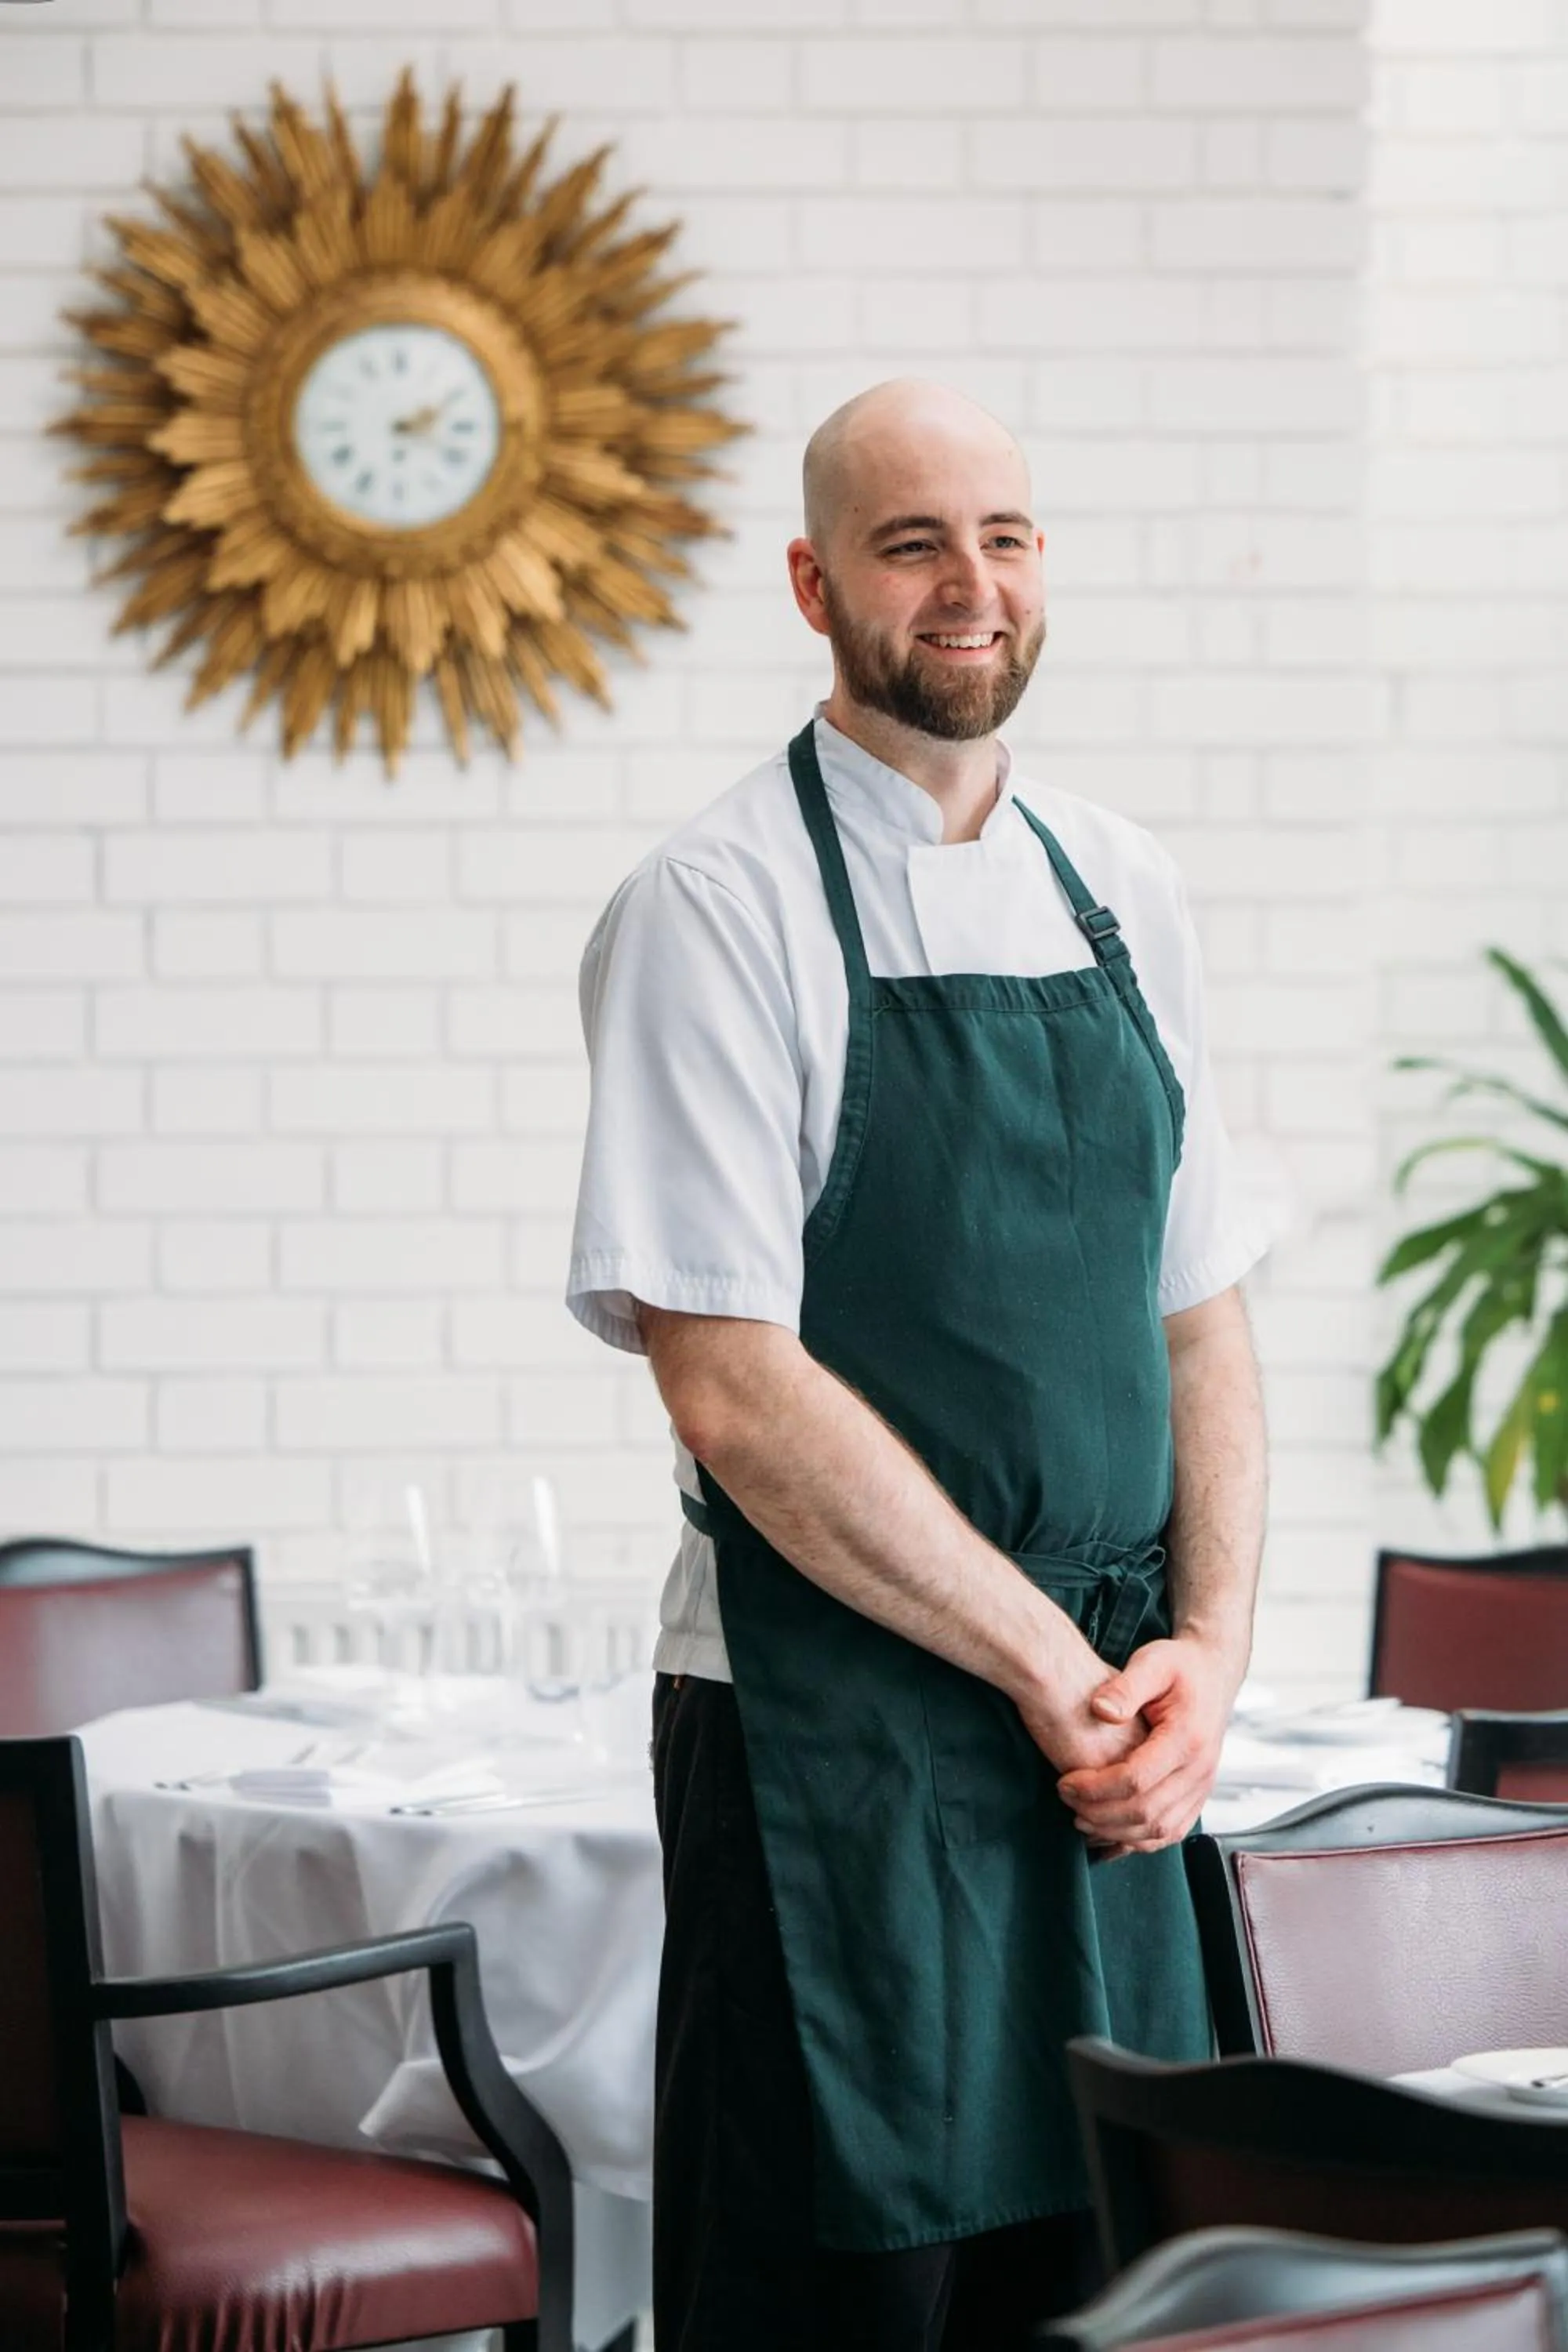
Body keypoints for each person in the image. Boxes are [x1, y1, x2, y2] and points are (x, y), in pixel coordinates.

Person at [568, 379, 1270, 2351]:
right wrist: (1054, 1671)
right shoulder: (714, 906)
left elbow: (1197, 1307)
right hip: (832, 1738)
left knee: (1120, 2282)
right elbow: (728, 1381)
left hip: (1108, 1751)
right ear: (813, 586)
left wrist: (1205, 1657)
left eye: (1004, 538)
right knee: (845, 2296)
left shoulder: (1123, 884)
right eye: (911, 545)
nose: (970, 585)